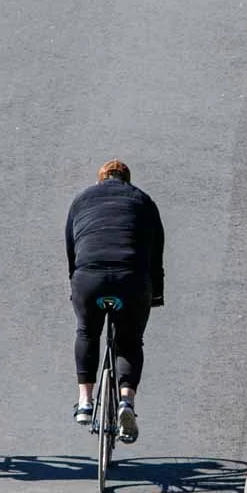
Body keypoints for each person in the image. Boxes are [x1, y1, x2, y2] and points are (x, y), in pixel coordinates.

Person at [65, 160, 165, 442]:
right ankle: (126, 402)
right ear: (127, 182)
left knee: (87, 330)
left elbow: (72, 249)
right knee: (130, 341)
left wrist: (76, 286)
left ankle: (85, 401)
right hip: (130, 280)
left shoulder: (82, 199)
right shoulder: (143, 201)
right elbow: (155, 254)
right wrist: (155, 293)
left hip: (89, 279)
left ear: (100, 181)